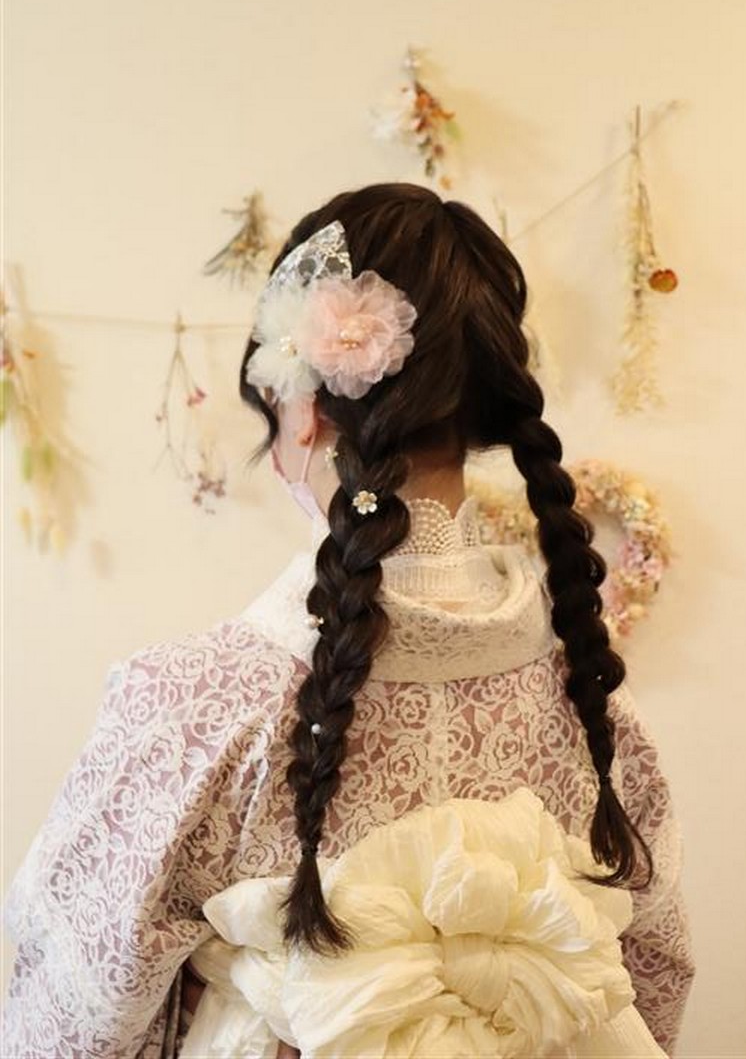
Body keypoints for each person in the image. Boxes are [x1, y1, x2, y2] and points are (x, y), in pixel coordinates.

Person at [1, 183, 695, 1058]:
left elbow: (73, 1020)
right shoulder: (589, 703)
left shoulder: (194, 708)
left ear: (306, 408)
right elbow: (656, 974)